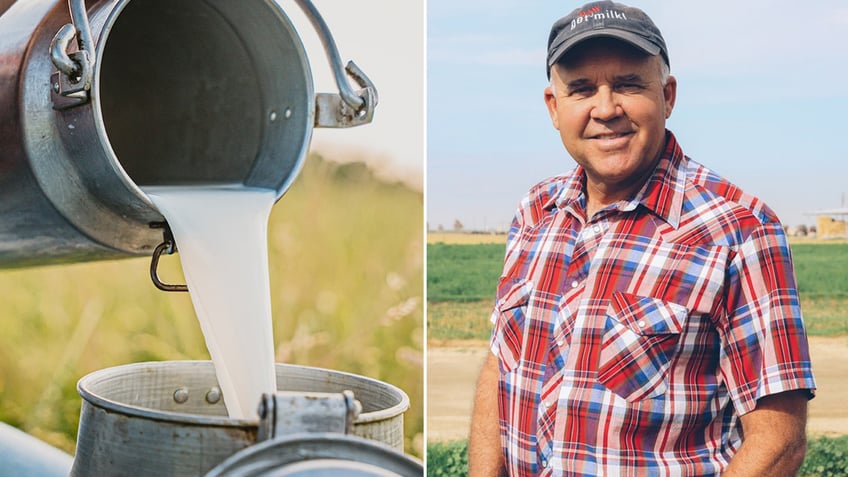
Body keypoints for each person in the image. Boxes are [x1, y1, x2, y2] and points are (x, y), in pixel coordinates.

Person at [468, 2, 817, 476]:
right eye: (582, 89)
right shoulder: (535, 211)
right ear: (554, 107)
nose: (606, 108)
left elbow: (777, 441)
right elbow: (501, 369)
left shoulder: (739, 229)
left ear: (667, 96)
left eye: (629, 84)